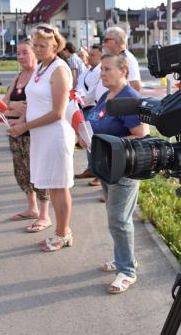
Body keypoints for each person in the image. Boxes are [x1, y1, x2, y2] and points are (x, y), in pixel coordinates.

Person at [82, 53, 149, 293]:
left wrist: (107, 146)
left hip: (124, 169)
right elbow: (97, 123)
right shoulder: (105, 96)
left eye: (107, 69)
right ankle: (124, 259)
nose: (102, 74)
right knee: (118, 219)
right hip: (106, 167)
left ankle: (127, 271)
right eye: (101, 69)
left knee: (119, 220)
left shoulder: (129, 98)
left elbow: (140, 134)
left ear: (124, 71)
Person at [8, 25, 75, 252]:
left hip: (55, 136)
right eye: (35, 45)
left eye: (42, 45)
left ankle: (63, 233)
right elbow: (34, 102)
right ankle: (60, 231)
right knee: (52, 186)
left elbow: (57, 112)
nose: (37, 49)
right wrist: (21, 120)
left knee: (59, 186)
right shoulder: (41, 68)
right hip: (41, 136)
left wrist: (25, 125)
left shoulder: (59, 69)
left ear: (55, 45)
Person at [2, 38, 52, 231]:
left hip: (34, 133)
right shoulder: (18, 77)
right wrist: (14, 105)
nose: (21, 57)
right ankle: (32, 208)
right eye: (18, 53)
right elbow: (4, 103)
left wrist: (17, 108)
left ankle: (44, 214)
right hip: (15, 133)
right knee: (21, 171)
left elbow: (40, 103)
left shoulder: (39, 76)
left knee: (38, 171)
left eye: (25, 52)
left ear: (35, 53)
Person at [74, 44, 106, 184]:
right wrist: (76, 98)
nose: (89, 57)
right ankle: (91, 168)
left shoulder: (101, 71)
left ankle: (100, 173)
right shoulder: (86, 72)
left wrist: (81, 99)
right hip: (83, 107)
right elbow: (78, 87)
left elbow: (92, 93)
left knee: (96, 142)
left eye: (93, 55)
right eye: (90, 54)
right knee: (88, 141)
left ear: (100, 56)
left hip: (93, 107)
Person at [102, 27, 142, 91]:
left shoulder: (127, 59)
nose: (103, 44)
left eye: (106, 40)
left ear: (116, 41)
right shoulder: (117, 57)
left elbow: (136, 86)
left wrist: (117, 98)